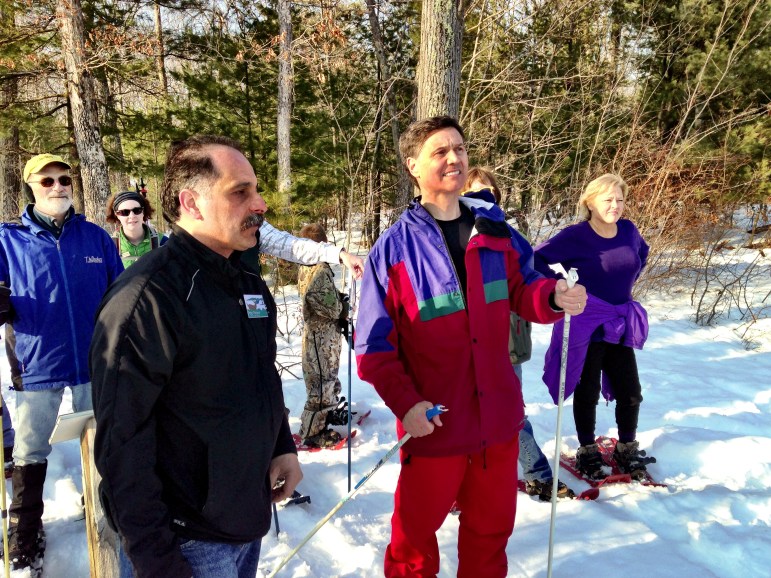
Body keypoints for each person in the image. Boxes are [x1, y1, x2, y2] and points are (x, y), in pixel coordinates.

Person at [355, 116, 587, 578]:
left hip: (498, 420)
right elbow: (373, 347)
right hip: (436, 423)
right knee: (413, 541)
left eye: (459, 148)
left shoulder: (494, 230)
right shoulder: (393, 250)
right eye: (439, 151)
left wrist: (553, 297)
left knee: (490, 533)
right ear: (412, 165)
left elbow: (525, 287)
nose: (454, 158)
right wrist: (407, 404)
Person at [90, 135, 302, 578]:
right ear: (192, 203)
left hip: (245, 517)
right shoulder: (146, 298)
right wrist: (158, 561)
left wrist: (281, 445)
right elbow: (121, 445)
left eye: (256, 190)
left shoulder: (246, 281)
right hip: (184, 541)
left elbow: (262, 376)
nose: (260, 204)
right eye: (240, 191)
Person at [0, 153, 123, 572]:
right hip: (37, 363)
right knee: (30, 449)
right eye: (47, 180)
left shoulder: (94, 237)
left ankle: (104, 507)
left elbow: (121, 291)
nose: (58, 187)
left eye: (64, 179)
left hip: (95, 359)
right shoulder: (7, 240)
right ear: (31, 188)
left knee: (103, 439)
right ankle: (25, 531)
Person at [534, 173, 654, 480]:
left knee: (630, 391)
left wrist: (623, 284)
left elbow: (641, 254)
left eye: (620, 200)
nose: (615, 205)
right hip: (586, 322)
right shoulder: (576, 235)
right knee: (587, 391)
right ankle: (587, 450)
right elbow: (537, 259)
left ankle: (626, 448)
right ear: (590, 202)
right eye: (608, 199)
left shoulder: (628, 230)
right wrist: (561, 285)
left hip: (618, 321)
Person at [464, 167, 571, 501]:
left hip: (507, 342)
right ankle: (464, 480)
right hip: (466, 345)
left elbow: (532, 279)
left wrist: (555, 292)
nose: (482, 198)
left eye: (488, 192)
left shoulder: (509, 236)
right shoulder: (454, 235)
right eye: (474, 192)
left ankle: (538, 474)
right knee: (465, 411)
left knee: (509, 411)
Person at [296, 223, 350, 448]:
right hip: (320, 338)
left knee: (328, 379)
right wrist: (343, 306)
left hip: (325, 337)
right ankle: (312, 432)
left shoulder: (311, 267)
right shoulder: (317, 269)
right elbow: (329, 306)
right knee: (321, 384)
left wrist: (339, 298)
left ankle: (327, 415)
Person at [106, 189, 168, 268]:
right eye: (125, 212)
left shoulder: (163, 243)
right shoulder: (109, 246)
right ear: (116, 215)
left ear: (143, 212)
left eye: (137, 210)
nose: (132, 216)